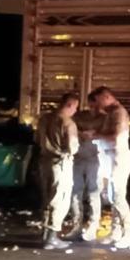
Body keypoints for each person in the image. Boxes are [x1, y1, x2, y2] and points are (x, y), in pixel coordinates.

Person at [92, 86, 130, 250]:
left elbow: (117, 138)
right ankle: (116, 231)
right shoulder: (111, 113)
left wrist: (95, 136)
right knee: (113, 197)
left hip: (118, 158)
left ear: (106, 97)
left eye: (98, 101)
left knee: (118, 197)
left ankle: (129, 235)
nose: (98, 106)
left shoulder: (119, 113)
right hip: (110, 157)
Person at [36, 92, 79, 249]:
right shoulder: (68, 123)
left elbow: (37, 139)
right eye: (75, 107)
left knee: (47, 197)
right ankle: (52, 238)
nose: (75, 110)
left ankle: (44, 234)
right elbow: (72, 148)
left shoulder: (44, 118)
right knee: (59, 199)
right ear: (70, 105)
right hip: (60, 163)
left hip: (44, 161)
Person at [64, 91, 104, 241]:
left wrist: (95, 134)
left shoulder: (104, 119)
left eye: (96, 106)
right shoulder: (79, 116)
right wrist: (81, 133)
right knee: (75, 192)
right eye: (91, 105)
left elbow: (111, 133)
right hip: (78, 158)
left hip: (95, 159)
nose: (93, 108)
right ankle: (76, 225)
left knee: (94, 192)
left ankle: (93, 225)